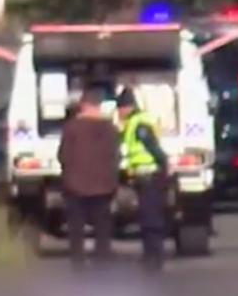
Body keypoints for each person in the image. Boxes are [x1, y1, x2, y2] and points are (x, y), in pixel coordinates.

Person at [57, 87, 120, 271]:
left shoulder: (72, 127)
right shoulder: (110, 128)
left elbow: (63, 155)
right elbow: (115, 156)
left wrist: (68, 173)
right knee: (102, 224)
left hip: (76, 184)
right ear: (99, 105)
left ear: (83, 105)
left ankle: (78, 260)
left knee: (76, 225)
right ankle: (102, 256)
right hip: (104, 184)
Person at [117, 88, 170, 273]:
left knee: (151, 219)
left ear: (127, 107)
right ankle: (151, 256)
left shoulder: (139, 125)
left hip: (149, 178)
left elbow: (153, 148)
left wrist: (164, 167)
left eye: (120, 109)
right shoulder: (133, 123)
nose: (119, 113)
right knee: (147, 218)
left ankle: (154, 257)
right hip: (144, 178)